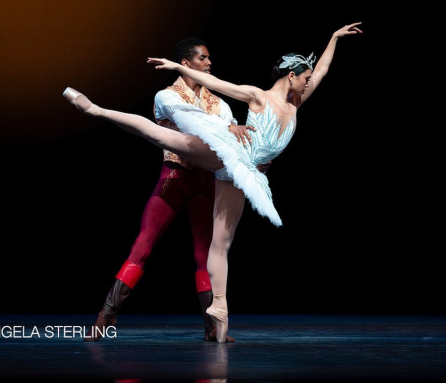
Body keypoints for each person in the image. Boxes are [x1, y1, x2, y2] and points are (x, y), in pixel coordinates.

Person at [63, 22, 362, 342]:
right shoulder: (255, 96)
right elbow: (216, 82)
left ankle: (219, 312)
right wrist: (176, 65)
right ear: (291, 76)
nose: (309, 83)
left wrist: (333, 38)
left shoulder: (295, 101)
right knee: (158, 135)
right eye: (305, 78)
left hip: (245, 173)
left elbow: (323, 71)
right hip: (217, 160)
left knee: (221, 244)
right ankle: (96, 110)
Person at [78, 37, 255, 342]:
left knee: (206, 255)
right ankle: (105, 316)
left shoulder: (221, 104)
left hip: (205, 182)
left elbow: (232, 140)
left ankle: (212, 326)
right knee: (143, 247)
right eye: (203, 58)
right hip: (175, 177)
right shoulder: (166, 97)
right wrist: (227, 129)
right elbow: (192, 124)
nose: (210, 63)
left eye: (209, 58)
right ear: (186, 64)